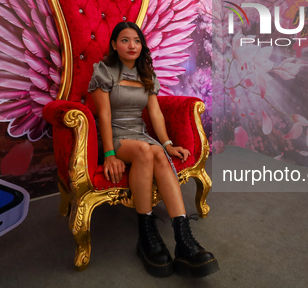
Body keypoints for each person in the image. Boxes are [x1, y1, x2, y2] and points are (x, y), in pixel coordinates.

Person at [88, 21, 219, 278]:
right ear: (114, 45)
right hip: (115, 135)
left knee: (156, 152)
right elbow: (103, 115)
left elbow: (155, 112)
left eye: (136, 41)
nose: (132, 45)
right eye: (125, 40)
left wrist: (168, 144)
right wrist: (109, 155)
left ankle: (184, 240)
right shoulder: (103, 71)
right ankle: (146, 235)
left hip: (139, 134)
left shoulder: (146, 73)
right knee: (145, 152)